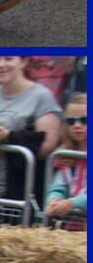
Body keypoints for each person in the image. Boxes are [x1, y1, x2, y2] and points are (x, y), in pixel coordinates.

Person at [0, 56, 62, 202]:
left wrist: (9, 138)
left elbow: (48, 146)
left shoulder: (42, 96)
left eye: (8, 59)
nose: (1, 65)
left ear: (23, 62)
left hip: (21, 192)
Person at [44, 95, 86, 230]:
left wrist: (71, 203)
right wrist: (53, 200)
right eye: (71, 121)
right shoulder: (66, 155)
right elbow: (59, 186)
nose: (77, 126)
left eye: (84, 120)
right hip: (72, 227)